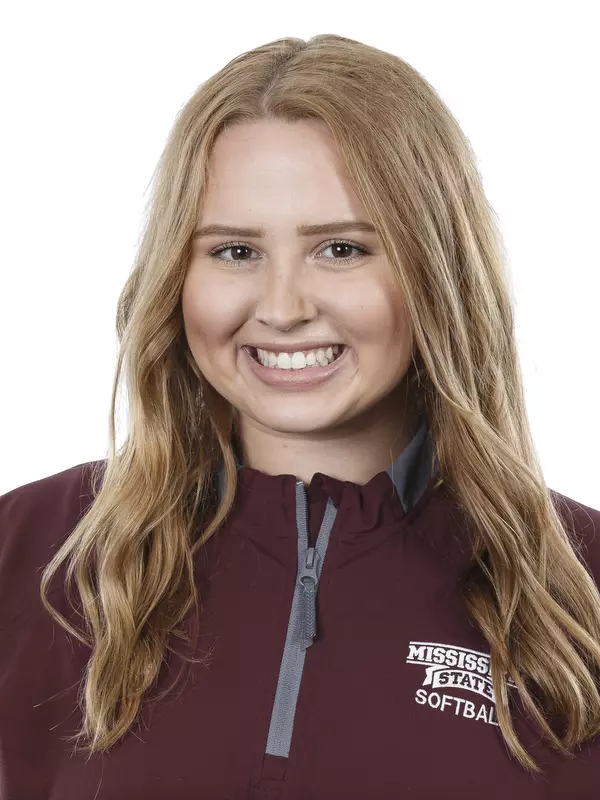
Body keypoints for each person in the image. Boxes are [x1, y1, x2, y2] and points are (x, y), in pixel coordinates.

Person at [0, 33, 599, 800]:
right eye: (235, 253)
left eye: (342, 249)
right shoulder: (32, 555)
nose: (282, 309)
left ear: (437, 271)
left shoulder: (581, 592)